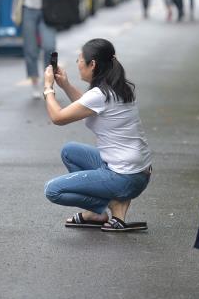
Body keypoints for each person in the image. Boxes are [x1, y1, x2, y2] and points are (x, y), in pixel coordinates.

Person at [42, 39, 152, 232]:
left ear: (92, 64)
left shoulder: (100, 94)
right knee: (70, 151)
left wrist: (48, 88)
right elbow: (86, 105)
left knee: (52, 190)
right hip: (137, 172)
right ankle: (96, 214)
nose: (77, 63)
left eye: (79, 59)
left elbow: (58, 117)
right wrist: (65, 85)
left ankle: (111, 206)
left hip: (123, 177)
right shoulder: (117, 88)